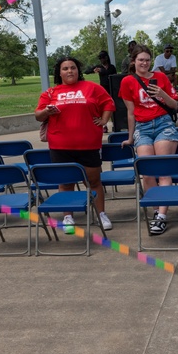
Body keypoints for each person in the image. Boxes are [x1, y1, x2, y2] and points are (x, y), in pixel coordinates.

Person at [35, 56, 116, 233]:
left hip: (88, 143)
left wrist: (103, 120)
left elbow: (109, 103)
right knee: (65, 183)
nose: (70, 71)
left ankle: (100, 213)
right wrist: (47, 111)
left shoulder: (92, 88)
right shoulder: (50, 93)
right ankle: (68, 216)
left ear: (78, 71)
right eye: (65, 68)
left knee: (94, 181)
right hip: (60, 145)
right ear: (59, 72)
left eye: (73, 67)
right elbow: (38, 115)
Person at [119, 44, 178, 235]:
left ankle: (162, 216)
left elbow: (175, 105)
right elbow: (130, 113)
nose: (144, 63)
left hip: (163, 123)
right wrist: (130, 137)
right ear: (134, 62)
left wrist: (161, 94)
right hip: (143, 126)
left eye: (147, 60)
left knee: (162, 170)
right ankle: (156, 211)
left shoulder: (160, 77)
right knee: (147, 172)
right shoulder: (128, 82)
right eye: (140, 60)